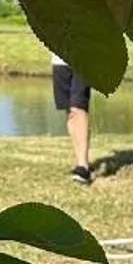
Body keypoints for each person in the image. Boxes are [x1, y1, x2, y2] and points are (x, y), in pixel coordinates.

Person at [49, 50, 91, 185]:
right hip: (59, 60)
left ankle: (83, 166)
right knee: (71, 112)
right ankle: (79, 161)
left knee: (78, 107)